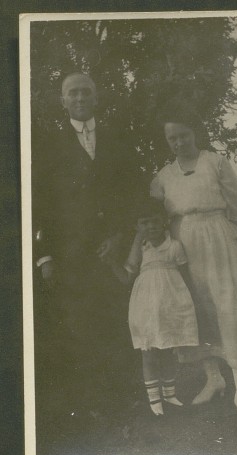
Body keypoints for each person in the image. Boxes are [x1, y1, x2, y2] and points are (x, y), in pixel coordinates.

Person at [150, 108, 237, 425]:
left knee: (233, 305)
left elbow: (236, 201)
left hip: (218, 236)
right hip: (183, 241)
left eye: (183, 135)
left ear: (195, 134)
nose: (178, 142)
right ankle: (213, 378)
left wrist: (230, 234)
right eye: (171, 138)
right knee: (197, 309)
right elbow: (152, 211)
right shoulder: (163, 176)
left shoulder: (214, 162)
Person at [32, 73, 140, 409]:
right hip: (70, 254)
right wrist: (44, 257)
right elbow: (38, 202)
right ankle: (88, 405)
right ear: (62, 100)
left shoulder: (119, 139)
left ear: (97, 97)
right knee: (78, 328)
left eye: (86, 92)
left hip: (113, 251)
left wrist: (120, 236)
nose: (79, 98)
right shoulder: (46, 144)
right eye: (72, 93)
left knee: (117, 322)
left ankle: (122, 401)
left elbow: (133, 193)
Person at [101, 198, 199, 415]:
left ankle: (170, 395)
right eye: (144, 223)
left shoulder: (174, 246)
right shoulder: (141, 250)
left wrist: (191, 304)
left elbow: (185, 278)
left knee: (168, 350)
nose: (150, 227)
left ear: (164, 222)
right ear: (137, 227)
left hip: (170, 305)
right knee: (149, 352)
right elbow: (127, 277)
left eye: (155, 221)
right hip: (145, 306)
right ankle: (155, 400)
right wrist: (112, 263)